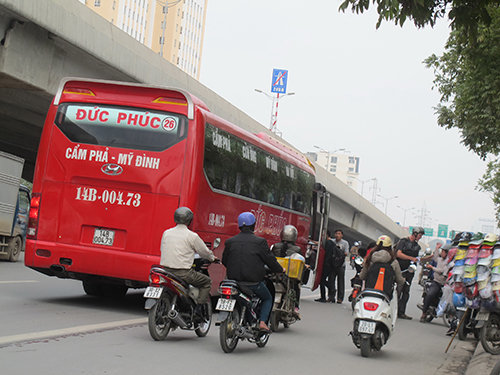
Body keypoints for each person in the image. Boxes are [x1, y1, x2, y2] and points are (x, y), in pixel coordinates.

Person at [222, 212, 285, 332]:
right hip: (253, 283)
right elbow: (270, 260)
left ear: (240, 226)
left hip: (233, 281)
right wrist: (280, 269)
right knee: (267, 298)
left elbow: (225, 261)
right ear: (254, 225)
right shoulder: (260, 242)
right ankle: (262, 323)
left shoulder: (230, 242)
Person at [160, 207, 217, 319]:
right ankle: (199, 309)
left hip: (165, 271)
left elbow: (163, 248)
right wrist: (212, 258)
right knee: (207, 282)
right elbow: (204, 252)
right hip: (183, 273)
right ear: (190, 220)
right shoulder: (191, 236)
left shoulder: (166, 233)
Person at [271, 225, 303, 314]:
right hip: (289, 275)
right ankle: (296, 307)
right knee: (296, 286)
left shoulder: (275, 246)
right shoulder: (297, 249)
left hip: (275, 274)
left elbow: (270, 258)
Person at [396, 226, 425, 319]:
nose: (420, 237)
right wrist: (410, 258)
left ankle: (401, 312)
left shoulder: (417, 246)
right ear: (415, 234)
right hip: (400, 269)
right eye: (420, 235)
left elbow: (416, 259)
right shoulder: (403, 241)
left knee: (406, 291)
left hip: (410, 271)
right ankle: (393, 309)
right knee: (397, 290)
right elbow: (398, 254)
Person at [418, 244, 450, 323]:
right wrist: (436, 248)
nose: (441, 253)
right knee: (430, 294)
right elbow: (435, 257)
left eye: (443, 251)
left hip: (446, 284)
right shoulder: (439, 260)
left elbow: (442, 270)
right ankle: (424, 314)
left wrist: (432, 268)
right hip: (437, 282)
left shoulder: (449, 263)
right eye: (441, 251)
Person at [315, 230, 335, 303]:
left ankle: (328, 291)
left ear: (327, 235)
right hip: (330, 264)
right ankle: (330, 290)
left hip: (327, 264)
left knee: (322, 280)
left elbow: (326, 254)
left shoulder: (328, 243)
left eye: (323, 234)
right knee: (322, 280)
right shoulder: (332, 243)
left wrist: (324, 262)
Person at [331, 229, 349, 303]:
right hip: (333, 264)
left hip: (341, 265)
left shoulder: (345, 243)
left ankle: (340, 298)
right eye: (336, 233)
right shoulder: (332, 242)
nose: (337, 235)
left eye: (339, 234)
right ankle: (331, 296)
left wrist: (338, 252)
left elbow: (346, 253)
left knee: (340, 282)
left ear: (342, 235)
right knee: (331, 281)